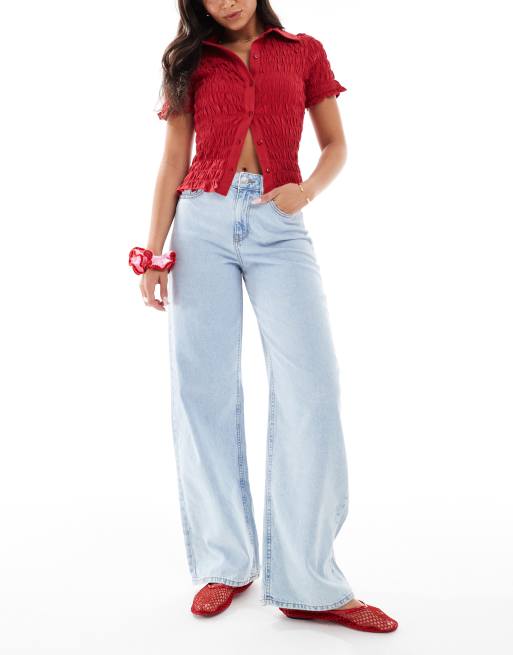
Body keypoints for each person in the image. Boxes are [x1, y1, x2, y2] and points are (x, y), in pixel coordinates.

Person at [131, 0, 398, 633]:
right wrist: (154, 251)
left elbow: (335, 144)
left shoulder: (303, 52)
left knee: (313, 388)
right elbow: (174, 157)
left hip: (280, 222)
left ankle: (309, 583)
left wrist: (306, 191)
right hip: (201, 220)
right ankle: (225, 564)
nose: (226, 1)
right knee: (204, 391)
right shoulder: (190, 60)